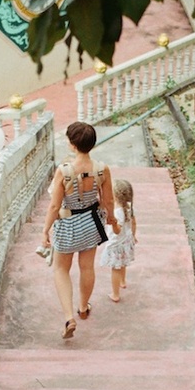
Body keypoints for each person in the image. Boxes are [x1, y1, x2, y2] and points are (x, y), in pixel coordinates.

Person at [41, 122, 117, 339]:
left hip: (67, 224)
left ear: (72, 145)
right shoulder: (102, 169)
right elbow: (108, 199)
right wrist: (111, 218)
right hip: (92, 223)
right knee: (87, 267)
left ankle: (68, 317)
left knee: (61, 269)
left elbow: (55, 206)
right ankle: (83, 308)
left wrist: (45, 230)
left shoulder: (64, 171)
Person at [98, 179, 137, 303]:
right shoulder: (129, 207)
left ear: (115, 195)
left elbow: (117, 231)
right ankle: (123, 281)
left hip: (116, 244)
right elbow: (134, 222)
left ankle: (115, 294)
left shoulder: (117, 212)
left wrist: (113, 222)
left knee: (115, 268)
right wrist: (133, 235)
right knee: (123, 263)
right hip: (126, 241)